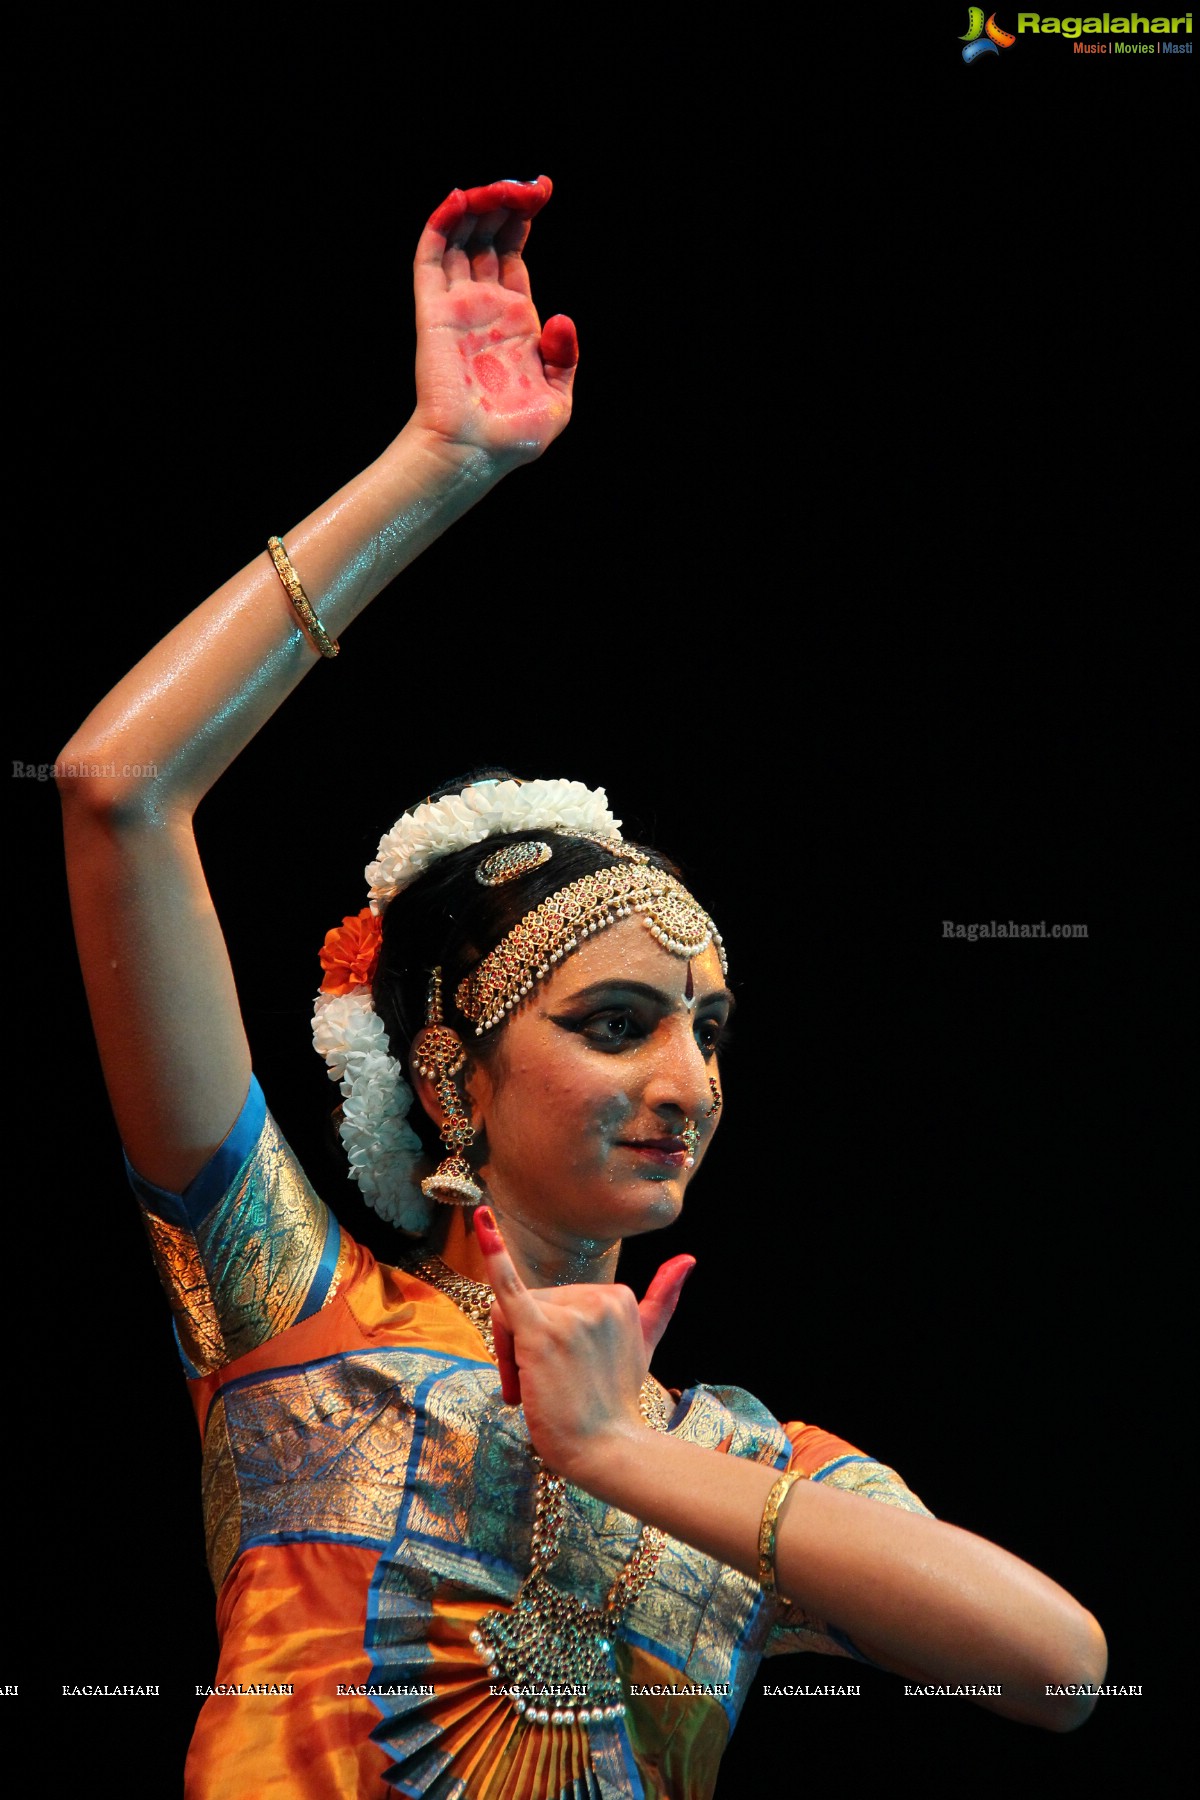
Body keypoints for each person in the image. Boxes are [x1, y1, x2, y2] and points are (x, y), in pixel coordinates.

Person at [58, 176, 1105, 1800]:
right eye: (615, 1022)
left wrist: (622, 1454)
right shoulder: (290, 1315)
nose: (686, 1075)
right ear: (451, 1074)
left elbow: (1062, 1672)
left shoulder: (737, 1461)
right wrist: (438, 471)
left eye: (706, 1029)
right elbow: (118, 789)